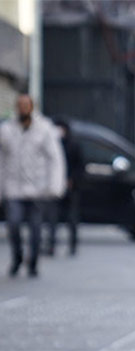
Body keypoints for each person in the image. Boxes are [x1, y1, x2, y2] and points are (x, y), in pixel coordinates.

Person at [0, 94, 65, 277]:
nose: (23, 108)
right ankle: (17, 257)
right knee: (13, 224)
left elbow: (55, 159)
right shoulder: (6, 130)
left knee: (36, 229)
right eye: (20, 105)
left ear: (32, 107)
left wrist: (54, 185)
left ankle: (33, 262)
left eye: (26, 105)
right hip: (13, 187)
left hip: (37, 188)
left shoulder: (44, 129)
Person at [44, 119, 83, 256]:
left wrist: (72, 180)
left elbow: (80, 166)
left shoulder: (74, 145)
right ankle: (51, 245)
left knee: (71, 218)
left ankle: (72, 245)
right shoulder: (51, 144)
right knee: (52, 218)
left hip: (71, 187)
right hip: (54, 186)